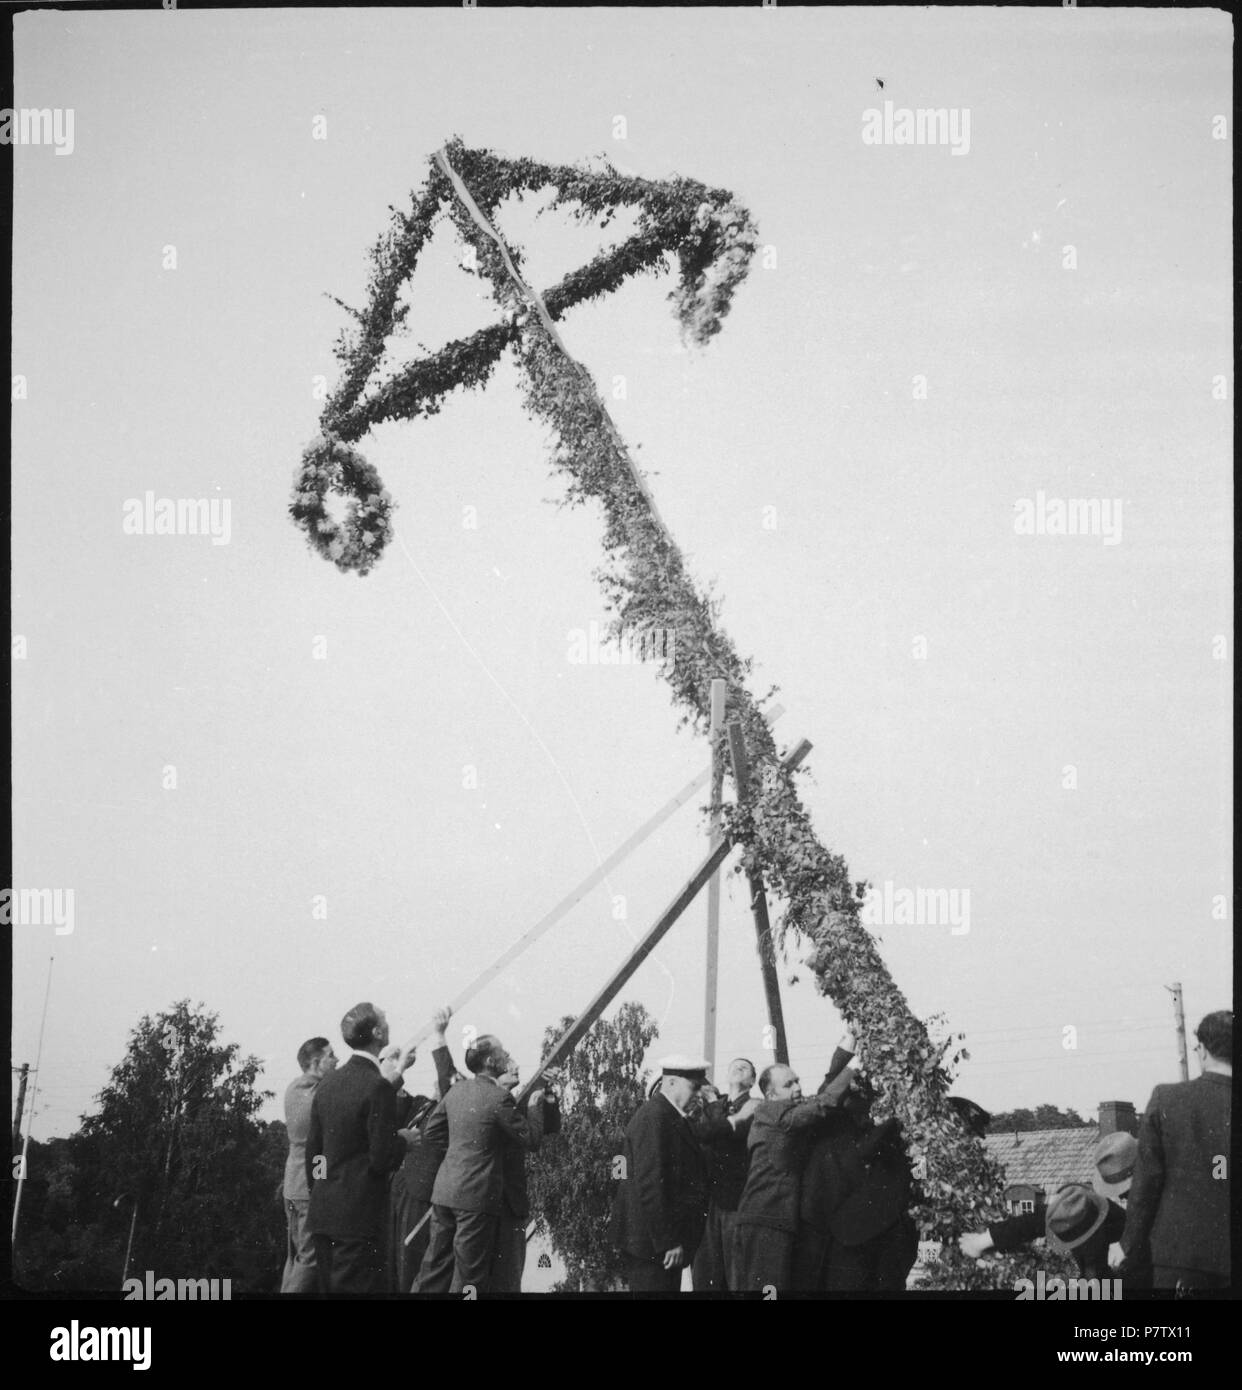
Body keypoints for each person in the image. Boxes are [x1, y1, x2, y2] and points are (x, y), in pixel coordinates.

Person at [1116, 1010, 1232, 1291]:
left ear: (1202, 1051)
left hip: (1180, 1258)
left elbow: (1146, 1183)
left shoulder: (1167, 1099)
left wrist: (1127, 1244)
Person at [305, 1001, 416, 1294]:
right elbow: (381, 1158)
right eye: (385, 1018)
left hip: (323, 1215)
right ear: (378, 1032)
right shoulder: (376, 1086)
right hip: (357, 1220)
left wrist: (322, 1190)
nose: (389, 1021)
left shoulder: (328, 1084)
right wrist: (404, 1140)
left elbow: (314, 1153)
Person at [415, 1034, 540, 1294]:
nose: (506, 1056)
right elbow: (531, 1139)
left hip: (445, 1192)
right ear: (491, 1060)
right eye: (503, 1052)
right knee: (469, 1275)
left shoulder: (456, 1091)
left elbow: (432, 1132)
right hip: (476, 1198)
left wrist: (461, 1153)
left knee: (433, 1267)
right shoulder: (499, 1098)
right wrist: (537, 1107)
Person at [731, 1058, 854, 1293]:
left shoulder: (781, 1113)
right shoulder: (773, 1112)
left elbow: (819, 1097)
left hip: (763, 1219)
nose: (798, 1087)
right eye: (789, 1084)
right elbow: (822, 1103)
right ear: (771, 1094)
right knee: (769, 1291)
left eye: (797, 1081)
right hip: (767, 1220)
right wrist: (854, 1067)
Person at [959, 1132, 1143, 1283]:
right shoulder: (1076, 1209)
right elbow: (1031, 1222)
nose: (1121, 1195)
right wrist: (982, 1241)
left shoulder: (1129, 1232)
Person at [610, 1055, 711, 1293]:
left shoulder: (668, 1116)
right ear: (672, 1082)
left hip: (655, 1245)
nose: (699, 1095)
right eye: (694, 1087)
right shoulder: (656, 1117)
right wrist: (668, 1241)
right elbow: (651, 1185)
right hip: (654, 1246)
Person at [812, 1074, 916, 1291]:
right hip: (849, 1233)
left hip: (886, 1235)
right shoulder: (839, 1127)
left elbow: (917, 1175)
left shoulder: (903, 1141)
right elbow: (864, 1151)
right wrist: (893, 1121)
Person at [384, 1006, 456, 1293]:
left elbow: (448, 1081)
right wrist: (395, 1065)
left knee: (411, 1262)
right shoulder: (421, 1104)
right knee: (391, 1262)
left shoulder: (449, 1108)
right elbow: (391, 1103)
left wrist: (439, 1037)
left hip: (421, 1193)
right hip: (398, 1191)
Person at [489, 1060, 561, 1293]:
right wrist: (532, 1107)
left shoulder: (511, 1106)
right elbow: (532, 1139)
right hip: (487, 1203)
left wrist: (548, 1092)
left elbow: (549, 1127)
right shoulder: (493, 1104)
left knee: (509, 1278)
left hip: (510, 1204)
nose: (514, 1066)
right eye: (506, 1064)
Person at [691, 1058, 760, 1291]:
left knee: (736, 1273)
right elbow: (702, 1134)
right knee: (707, 1273)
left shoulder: (755, 1106)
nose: (737, 1067)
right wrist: (713, 1105)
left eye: (744, 1067)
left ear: (752, 1081)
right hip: (710, 1201)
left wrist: (713, 1107)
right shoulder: (713, 1105)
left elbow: (727, 1138)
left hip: (736, 1201)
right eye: (733, 1065)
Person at [280, 1036, 338, 1292]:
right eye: (331, 1056)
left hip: (292, 1185)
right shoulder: (320, 1094)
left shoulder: (294, 1088)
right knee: (310, 1258)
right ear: (316, 1062)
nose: (337, 1061)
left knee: (295, 1257)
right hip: (306, 1188)